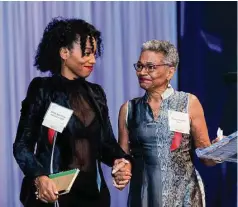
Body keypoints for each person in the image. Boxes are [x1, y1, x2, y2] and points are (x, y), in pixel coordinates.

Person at [13, 17, 132, 207]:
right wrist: (39, 177)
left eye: (94, 53)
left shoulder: (96, 93)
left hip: (94, 196)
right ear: (64, 52)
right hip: (54, 196)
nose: (92, 60)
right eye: (86, 53)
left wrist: (121, 161)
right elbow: (22, 146)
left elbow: (106, 144)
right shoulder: (42, 89)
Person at [117, 40, 219, 207]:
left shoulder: (188, 102)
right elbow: (122, 157)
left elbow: (207, 158)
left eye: (150, 67)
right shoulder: (129, 109)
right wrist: (121, 169)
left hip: (184, 198)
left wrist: (219, 151)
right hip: (144, 196)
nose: (142, 72)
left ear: (170, 71)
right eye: (139, 66)